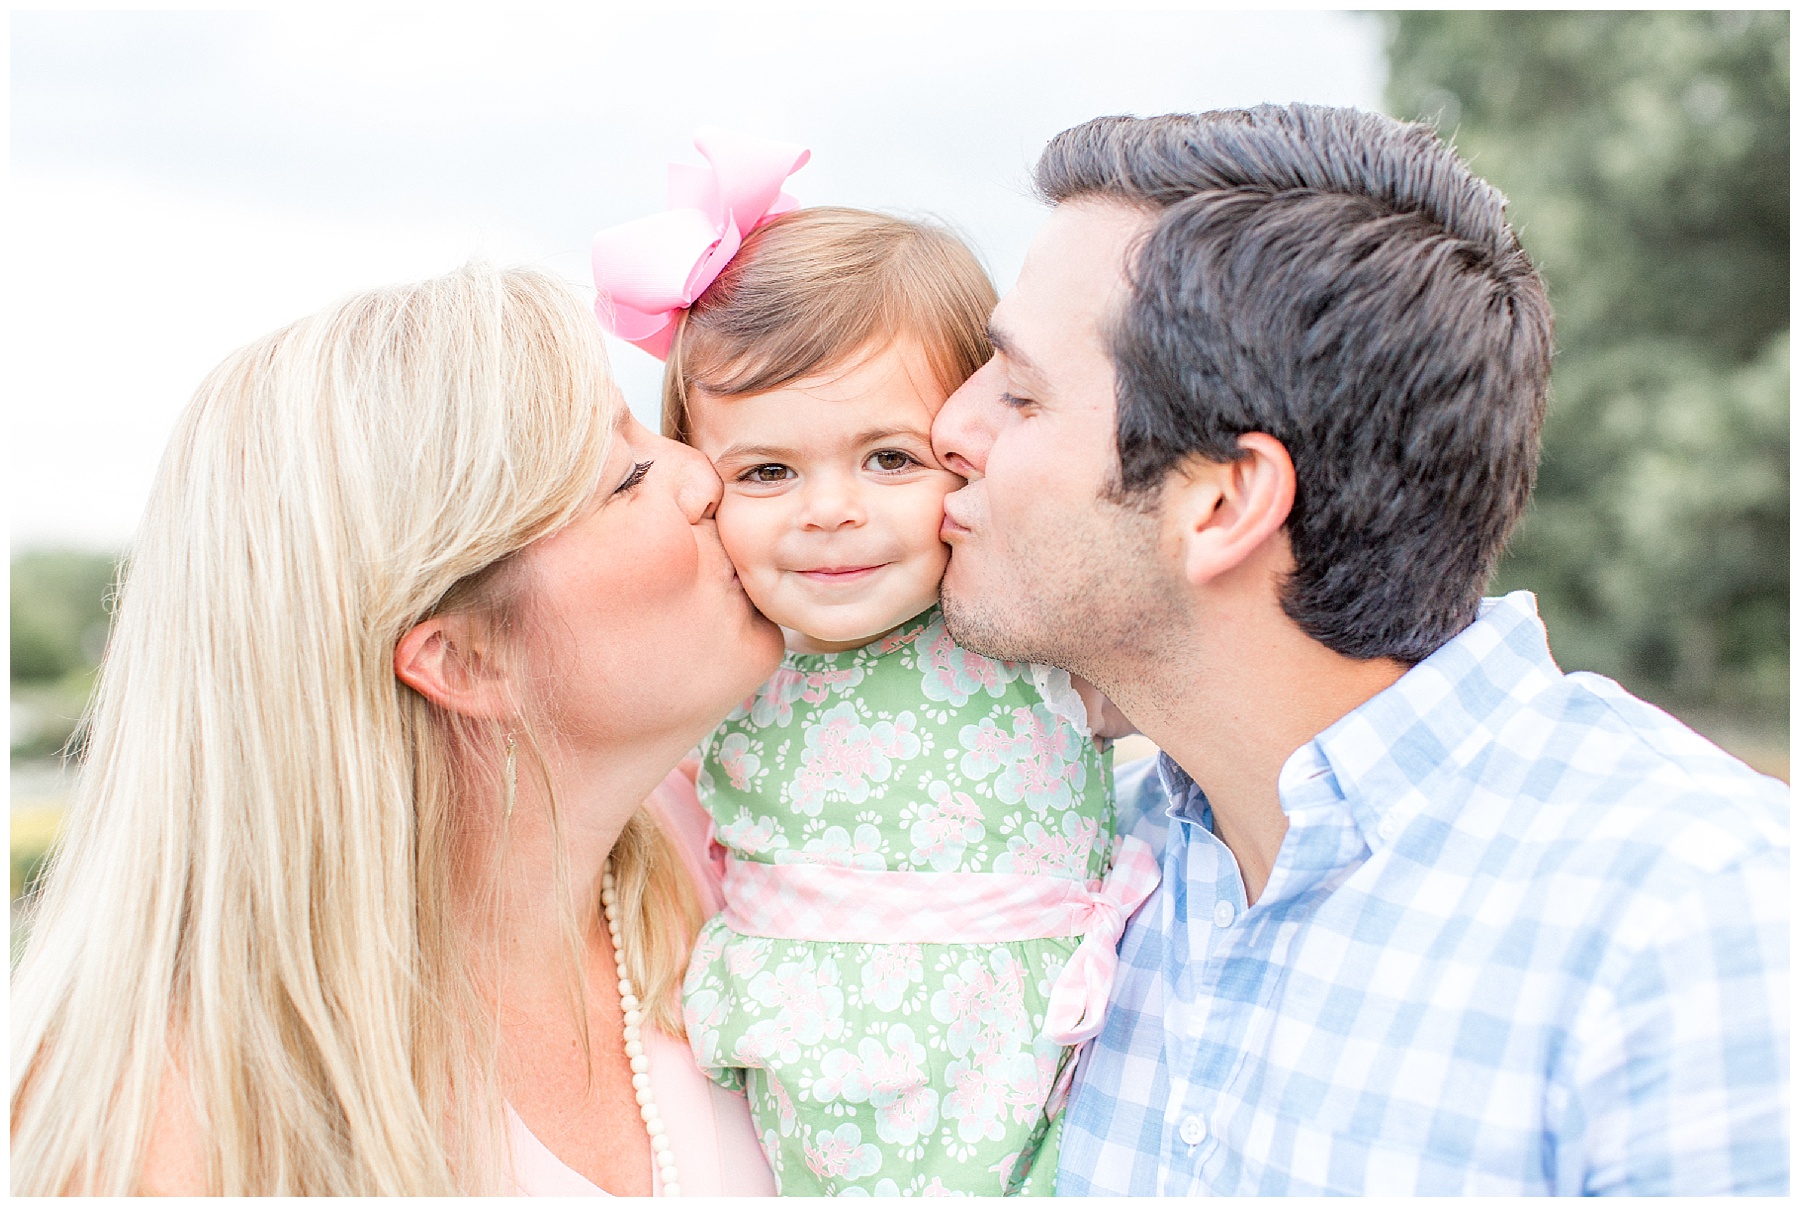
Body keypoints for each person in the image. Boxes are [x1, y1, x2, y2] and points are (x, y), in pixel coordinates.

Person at [929, 104, 1789, 1195]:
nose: (949, 429)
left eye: (1018, 393)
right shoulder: (1074, 859)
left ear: (1223, 503)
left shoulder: (1698, 925)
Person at [10, 263, 784, 1195]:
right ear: (463, 660)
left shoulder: (764, 848)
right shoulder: (169, 1122)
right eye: (627, 477)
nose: (704, 474)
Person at [590, 133, 1158, 1195]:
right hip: (802, 1126)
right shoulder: (720, 672)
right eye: (767, 471)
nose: (831, 510)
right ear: (703, 486)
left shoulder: (1031, 637)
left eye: (890, 458)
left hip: (1041, 1098)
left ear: (971, 445)